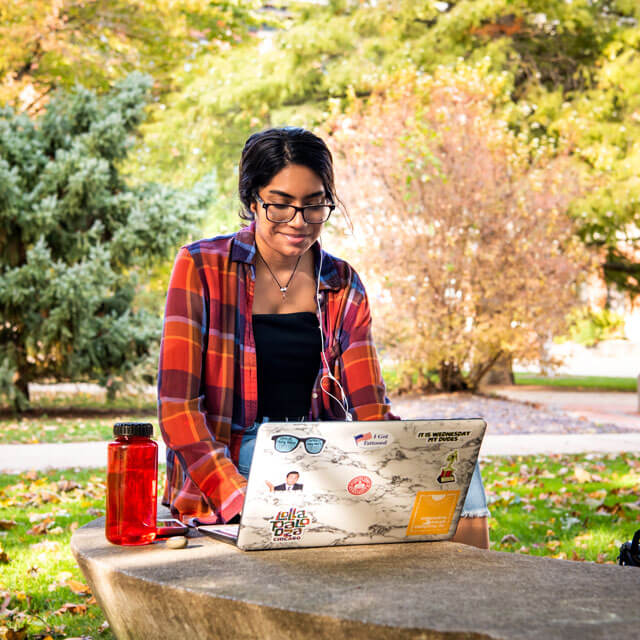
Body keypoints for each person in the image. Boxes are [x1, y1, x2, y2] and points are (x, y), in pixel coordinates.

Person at [157, 126, 490, 547]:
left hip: (319, 450)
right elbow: (177, 409)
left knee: (459, 470)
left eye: (314, 206)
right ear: (251, 201)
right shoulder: (201, 267)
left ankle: (473, 594)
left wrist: (409, 456)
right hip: (236, 455)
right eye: (280, 206)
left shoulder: (342, 283)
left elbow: (370, 410)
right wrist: (233, 494)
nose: (299, 222)